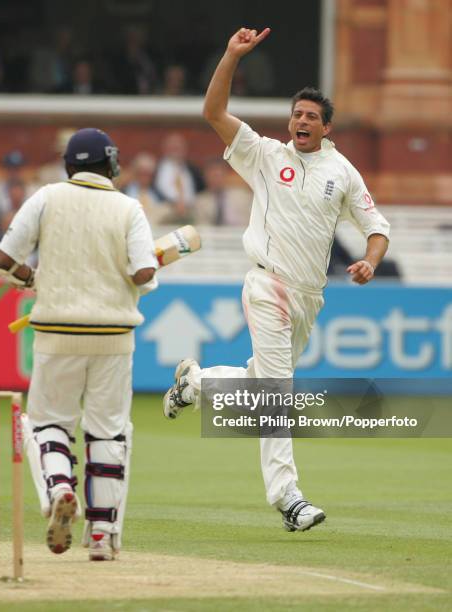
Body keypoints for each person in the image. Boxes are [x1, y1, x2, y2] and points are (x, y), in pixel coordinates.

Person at [163, 28, 391, 532]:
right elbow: (214, 114)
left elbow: (377, 229)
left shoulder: (344, 173)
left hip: (310, 297)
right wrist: (229, 56)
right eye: (296, 114)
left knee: (259, 383)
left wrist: (371, 262)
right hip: (267, 285)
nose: (301, 121)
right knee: (277, 393)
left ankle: (195, 384)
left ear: (327, 128)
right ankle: (288, 498)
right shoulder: (265, 155)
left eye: (312, 117)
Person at [0, 128, 158, 560]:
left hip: (56, 331)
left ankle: (60, 486)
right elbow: (143, 275)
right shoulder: (128, 207)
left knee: (47, 424)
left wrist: (30, 278)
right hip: (113, 338)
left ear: (70, 165)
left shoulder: (46, 198)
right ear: (111, 163)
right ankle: (101, 533)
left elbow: (3, 260)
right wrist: (148, 267)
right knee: (109, 432)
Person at [194, 159, 252, 226]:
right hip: (211, 235)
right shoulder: (200, 201)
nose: (216, 180)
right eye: (213, 176)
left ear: (226, 175)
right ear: (206, 177)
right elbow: (201, 226)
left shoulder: (243, 196)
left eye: (219, 175)